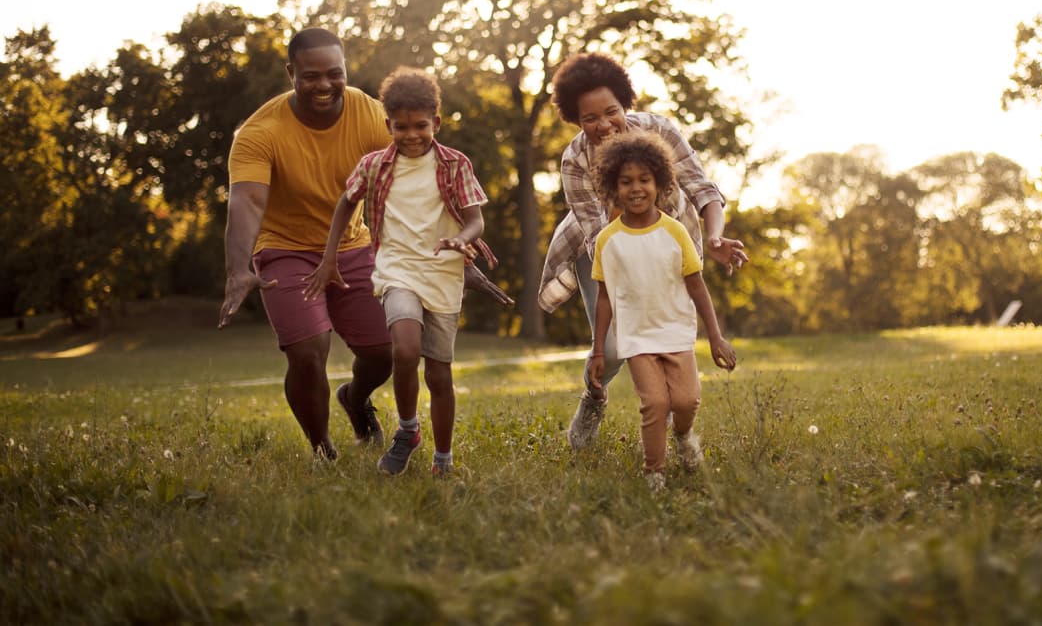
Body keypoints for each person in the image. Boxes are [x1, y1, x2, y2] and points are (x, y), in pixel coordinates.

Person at [538, 53, 748, 450]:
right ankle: (594, 397)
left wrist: (716, 237)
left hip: (666, 243)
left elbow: (703, 190)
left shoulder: (659, 132)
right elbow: (600, 236)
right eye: (590, 118)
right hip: (604, 247)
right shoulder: (575, 160)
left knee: (665, 331)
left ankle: (666, 417)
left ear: (625, 104)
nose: (603, 126)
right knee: (615, 346)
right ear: (575, 120)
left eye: (611, 112)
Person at [303, 67, 496, 478]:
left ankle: (442, 459)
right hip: (396, 270)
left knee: (439, 375)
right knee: (404, 350)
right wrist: (330, 256)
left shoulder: (455, 164)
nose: (412, 135)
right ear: (388, 124)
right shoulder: (374, 166)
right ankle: (408, 429)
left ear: (436, 123)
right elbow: (345, 204)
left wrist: (463, 239)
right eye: (401, 127)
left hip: (443, 274)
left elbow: (475, 219)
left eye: (421, 126)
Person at [218, 28, 393, 459]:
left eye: (335, 74)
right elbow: (247, 201)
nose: (324, 85)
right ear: (291, 72)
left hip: (353, 244)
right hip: (286, 248)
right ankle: (323, 450)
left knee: (384, 351)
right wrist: (239, 269)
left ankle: (355, 398)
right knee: (308, 352)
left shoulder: (370, 114)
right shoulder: (260, 131)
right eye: (310, 76)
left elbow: (405, 183)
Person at [588, 131, 737, 490]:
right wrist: (597, 350)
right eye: (626, 182)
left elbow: (697, 287)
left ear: (660, 183)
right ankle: (654, 472)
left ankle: (684, 437)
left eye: (644, 180)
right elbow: (604, 298)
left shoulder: (675, 232)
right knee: (655, 403)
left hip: (676, 332)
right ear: (613, 187)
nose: (636, 189)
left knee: (686, 401)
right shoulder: (607, 240)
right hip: (637, 338)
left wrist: (715, 337)